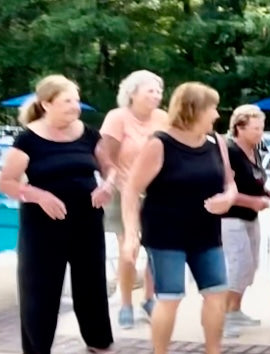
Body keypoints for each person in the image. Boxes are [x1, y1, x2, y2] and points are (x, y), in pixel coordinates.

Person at [0, 75, 115, 353]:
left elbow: (110, 168)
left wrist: (107, 186)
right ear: (46, 104)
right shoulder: (28, 140)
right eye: (67, 101)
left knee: (92, 282)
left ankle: (98, 341)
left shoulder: (88, 134)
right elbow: (7, 182)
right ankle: (38, 348)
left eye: (76, 100)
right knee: (40, 289)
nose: (75, 106)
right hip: (43, 225)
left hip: (87, 220)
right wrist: (39, 195)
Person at [123, 82, 237, 354]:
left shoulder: (216, 142)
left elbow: (230, 183)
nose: (217, 115)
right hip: (166, 235)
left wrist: (229, 198)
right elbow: (131, 190)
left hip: (207, 233)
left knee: (216, 294)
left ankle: (214, 350)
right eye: (213, 108)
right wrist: (130, 234)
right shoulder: (160, 144)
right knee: (170, 299)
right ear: (194, 110)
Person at [101, 69, 167, 327]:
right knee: (128, 249)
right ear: (133, 93)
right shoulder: (117, 118)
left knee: (155, 248)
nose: (157, 95)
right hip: (123, 190)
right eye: (150, 90)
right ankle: (126, 302)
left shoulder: (163, 118)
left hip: (156, 192)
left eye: (159, 91)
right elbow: (107, 157)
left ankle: (149, 299)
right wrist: (117, 182)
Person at [219, 104, 270, 338]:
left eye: (262, 128)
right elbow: (222, 190)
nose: (260, 133)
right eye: (255, 128)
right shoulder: (229, 151)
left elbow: (257, 179)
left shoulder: (256, 150)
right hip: (230, 218)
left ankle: (236, 309)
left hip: (251, 216)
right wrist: (252, 202)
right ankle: (223, 316)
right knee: (237, 266)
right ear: (239, 127)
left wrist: (268, 194)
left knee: (250, 266)